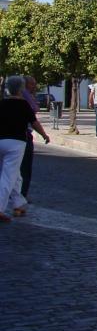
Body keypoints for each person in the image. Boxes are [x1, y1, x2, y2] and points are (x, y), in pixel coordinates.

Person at [1, 75, 50, 222]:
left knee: (15, 175)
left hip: (0, 141)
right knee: (8, 175)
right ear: (21, 89)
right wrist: (44, 135)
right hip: (16, 143)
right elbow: (34, 123)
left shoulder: (1, 103)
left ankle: (19, 203)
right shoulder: (23, 105)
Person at [19, 76, 40, 199]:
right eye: (32, 84)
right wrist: (44, 134)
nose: (34, 87)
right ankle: (21, 195)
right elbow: (33, 118)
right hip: (24, 135)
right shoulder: (25, 97)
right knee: (25, 168)